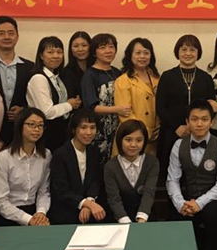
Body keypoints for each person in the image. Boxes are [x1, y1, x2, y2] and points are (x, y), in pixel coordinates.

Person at [166, 99, 217, 250]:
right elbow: (172, 179)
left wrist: (200, 203)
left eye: (204, 119)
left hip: (213, 198)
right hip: (188, 196)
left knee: (213, 212)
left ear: (211, 122)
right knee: (174, 213)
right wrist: (180, 203)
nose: (199, 124)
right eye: (194, 119)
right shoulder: (178, 145)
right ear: (187, 122)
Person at [157, 35, 215, 173]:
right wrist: (176, 127)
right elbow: (160, 107)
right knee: (170, 171)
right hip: (172, 131)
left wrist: (196, 127)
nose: (188, 53)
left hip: (200, 132)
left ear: (198, 53)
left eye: (192, 50)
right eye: (184, 49)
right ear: (177, 52)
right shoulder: (167, 76)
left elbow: (211, 106)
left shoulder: (206, 78)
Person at [0, 107, 51, 226]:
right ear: (20, 126)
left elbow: (44, 191)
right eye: (31, 124)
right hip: (8, 215)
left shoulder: (46, 155)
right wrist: (29, 220)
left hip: (35, 212)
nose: (36, 129)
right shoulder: (4, 157)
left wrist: (41, 213)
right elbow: (0, 201)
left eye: (40, 125)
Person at [49, 108, 106, 225]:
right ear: (74, 129)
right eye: (83, 127)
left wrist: (89, 202)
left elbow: (95, 181)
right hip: (65, 213)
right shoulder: (60, 154)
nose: (88, 132)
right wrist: (86, 203)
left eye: (92, 128)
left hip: (89, 212)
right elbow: (61, 190)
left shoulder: (94, 151)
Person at [26, 36, 82, 152]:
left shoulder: (57, 77)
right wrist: (69, 105)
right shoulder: (39, 78)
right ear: (41, 55)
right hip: (45, 135)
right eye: (50, 52)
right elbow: (47, 112)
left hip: (59, 134)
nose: (56, 56)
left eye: (59, 52)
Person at [80, 33, 126, 166]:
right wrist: (117, 109)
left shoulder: (117, 72)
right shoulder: (90, 74)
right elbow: (91, 107)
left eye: (111, 47)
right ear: (94, 52)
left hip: (116, 129)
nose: (108, 51)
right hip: (99, 131)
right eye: (102, 47)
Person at [0, 16, 34, 147]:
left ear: (17, 36)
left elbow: (35, 98)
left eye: (11, 33)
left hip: (22, 133)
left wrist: (24, 110)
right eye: (1, 33)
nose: (7, 37)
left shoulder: (30, 67)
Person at [104, 119, 159, 223]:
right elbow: (114, 198)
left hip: (146, 217)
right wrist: (126, 222)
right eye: (128, 140)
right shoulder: (110, 166)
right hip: (119, 218)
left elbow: (149, 192)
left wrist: (142, 218)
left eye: (139, 140)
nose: (133, 145)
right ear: (120, 140)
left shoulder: (152, 163)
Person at [114, 38, 161, 156]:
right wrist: (144, 133)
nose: (142, 56)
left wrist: (159, 128)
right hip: (131, 137)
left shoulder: (157, 78)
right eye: (138, 53)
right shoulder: (123, 80)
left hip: (155, 137)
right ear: (130, 55)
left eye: (146, 53)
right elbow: (125, 114)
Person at [60, 31, 92, 100]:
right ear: (70, 49)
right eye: (76, 46)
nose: (80, 49)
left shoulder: (96, 69)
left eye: (84, 45)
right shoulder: (65, 73)